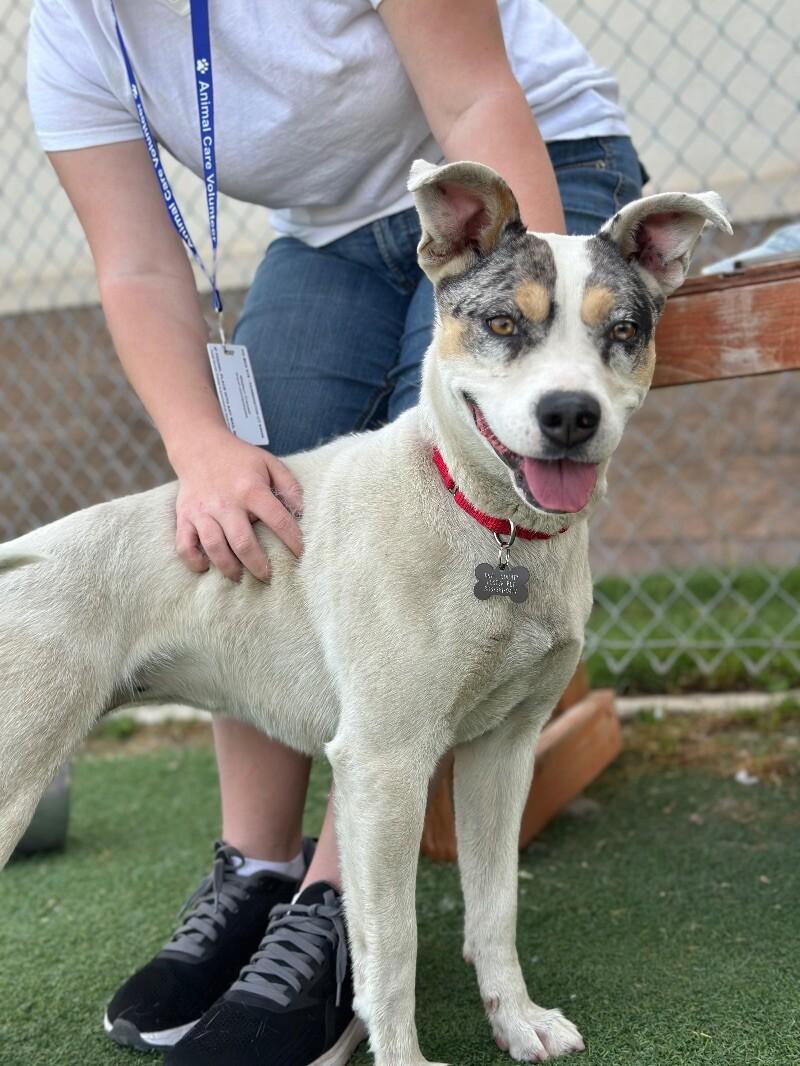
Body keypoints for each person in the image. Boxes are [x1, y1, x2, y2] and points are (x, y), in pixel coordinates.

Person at [27, 1, 645, 1063]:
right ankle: (258, 866)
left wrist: (545, 345)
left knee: (451, 470)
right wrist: (201, 446)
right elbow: (134, 264)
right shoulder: (73, 27)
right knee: (256, 489)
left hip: (534, 160)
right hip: (327, 230)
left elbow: (474, 98)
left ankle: (334, 909)